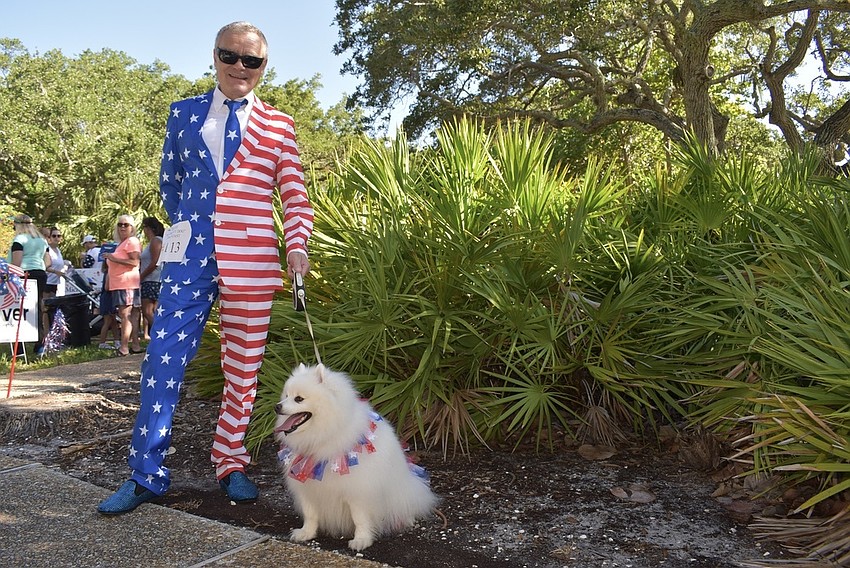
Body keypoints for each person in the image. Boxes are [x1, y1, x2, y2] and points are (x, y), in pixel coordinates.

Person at [97, 21, 313, 515]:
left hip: (252, 260)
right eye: (230, 56)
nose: (240, 67)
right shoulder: (184, 113)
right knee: (161, 360)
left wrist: (297, 243)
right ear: (215, 56)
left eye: (251, 60)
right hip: (188, 259)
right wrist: (192, 227)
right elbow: (169, 183)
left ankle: (230, 462)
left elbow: (294, 194)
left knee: (243, 368)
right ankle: (146, 474)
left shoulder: (279, 125)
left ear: (263, 66)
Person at [7, 214, 50, 354]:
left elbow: (16, 262)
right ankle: (40, 344)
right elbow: (48, 261)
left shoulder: (19, 239)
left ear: (17, 225)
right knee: (37, 308)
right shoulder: (42, 240)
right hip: (40, 273)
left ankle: (19, 346)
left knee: (18, 309)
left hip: (24, 274)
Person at [104, 215, 142, 357]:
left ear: (132, 227)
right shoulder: (122, 243)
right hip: (120, 283)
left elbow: (134, 262)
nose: (122, 227)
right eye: (120, 224)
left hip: (126, 283)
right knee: (131, 315)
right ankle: (135, 345)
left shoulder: (132, 241)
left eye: (126, 225)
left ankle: (124, 347)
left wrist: (113, 258)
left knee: (126, 315)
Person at [138, 217, 164, 341]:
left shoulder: (156, 241)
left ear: (148, 228)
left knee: (148, 311)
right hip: (152, 279)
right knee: (153, 311)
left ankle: (160, 334)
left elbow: (155, 263)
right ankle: (158, 336)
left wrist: (141, 276)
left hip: (152, 280)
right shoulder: (153, 242)